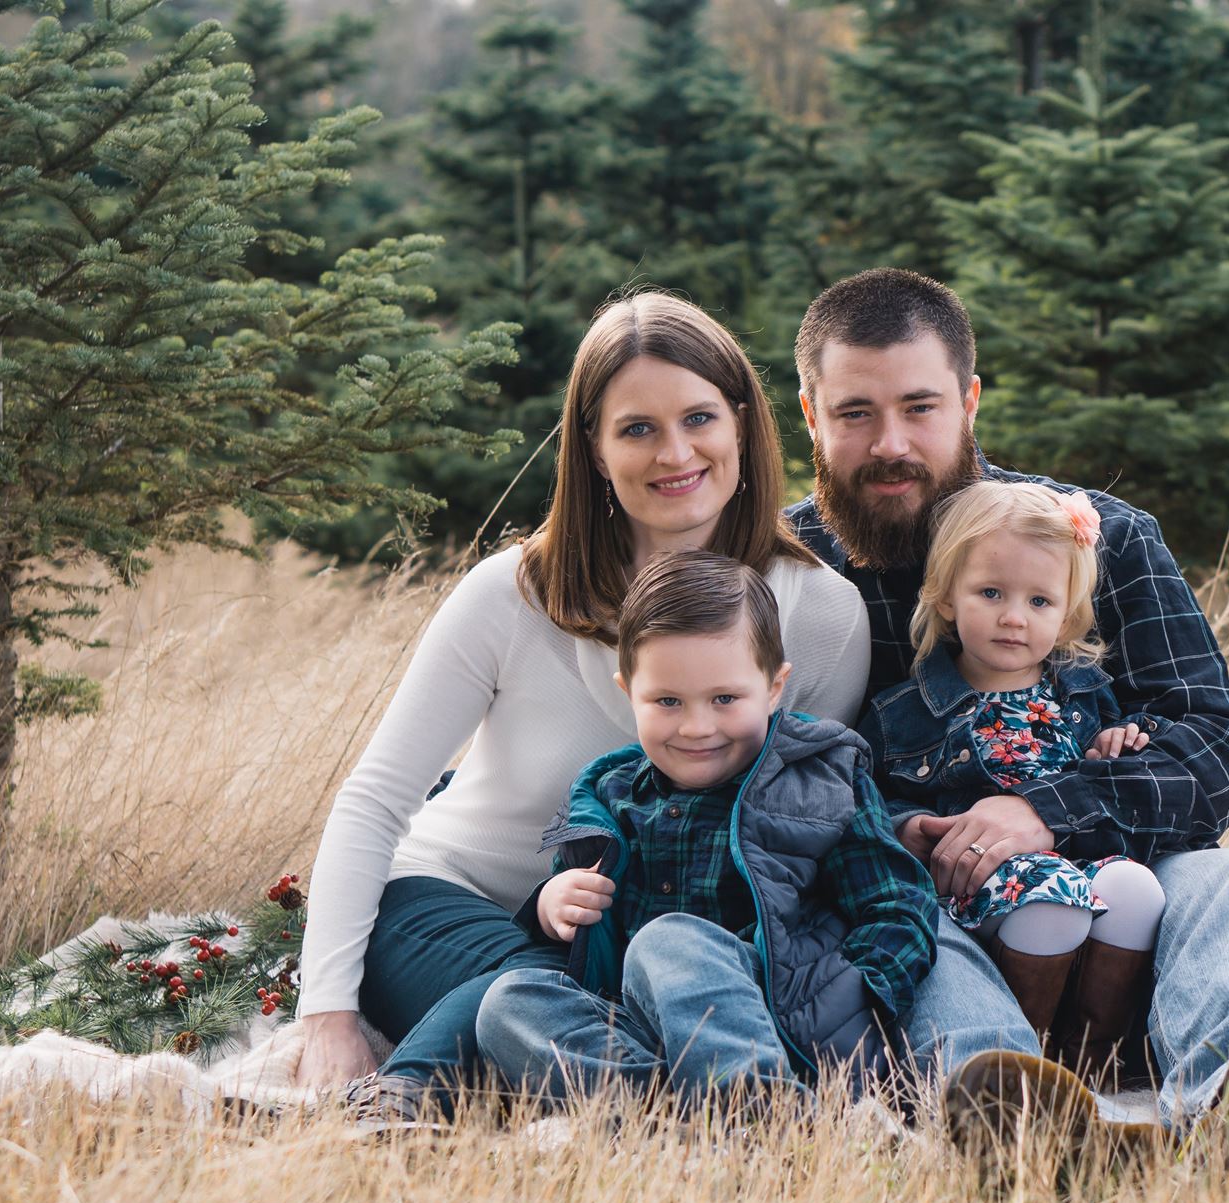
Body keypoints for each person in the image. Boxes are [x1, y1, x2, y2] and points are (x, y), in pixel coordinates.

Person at [783, 268, 1229, 1154]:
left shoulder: (1095, 537)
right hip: (936, 898)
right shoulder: (786, 575)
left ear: (970, 400)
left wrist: (1045, 810)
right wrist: (907, 833)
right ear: (810, 414)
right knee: (921, 943)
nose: (892, 443)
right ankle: (1022, 1129)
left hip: (1127, 883)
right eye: (854, 414)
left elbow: (1219, 744)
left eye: (920, 407)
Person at [292, 292, 872, 1123]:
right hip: (452, 901)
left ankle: (691, 1113)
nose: (676, 453)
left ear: (742, 422)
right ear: (595, 451)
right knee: (539, 985)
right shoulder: (512, 592)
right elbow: (376, 799)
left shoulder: (819, 614)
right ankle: (395, 1105)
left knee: (614, 990)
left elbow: (801, 827)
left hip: (655, 944)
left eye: (700, 417)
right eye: (636, 428)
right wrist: (328, 1018)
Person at [474, 550, 938, 1105]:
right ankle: (676, 1116)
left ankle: (766, 1112)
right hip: (645, 1025)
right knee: (509, 1002)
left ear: (773, 688)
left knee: (669, 939)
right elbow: (577, 923)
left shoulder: (818, 778)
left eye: (724, 698)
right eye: (667, 701)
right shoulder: (611, 794)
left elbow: (898, 905)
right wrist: (554, 906)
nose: (697, 727)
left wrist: (854, 997)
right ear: (629, 694)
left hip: (783, 1012)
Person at [858, 480, 1166, 1088]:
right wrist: (907, 827)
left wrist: (1116, 744)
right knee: (1049, 899)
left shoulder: (1084, 693)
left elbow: (1120, 763)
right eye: (991, 593)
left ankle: (1094, 1063)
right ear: (946, 598)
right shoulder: (903, 711)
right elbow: (865, 798)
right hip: (975, 885)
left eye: (1039, 602)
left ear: (1068, 613)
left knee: (1135, 889)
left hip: (1080, 861)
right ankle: (1025, 1068)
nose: (1012, 617)